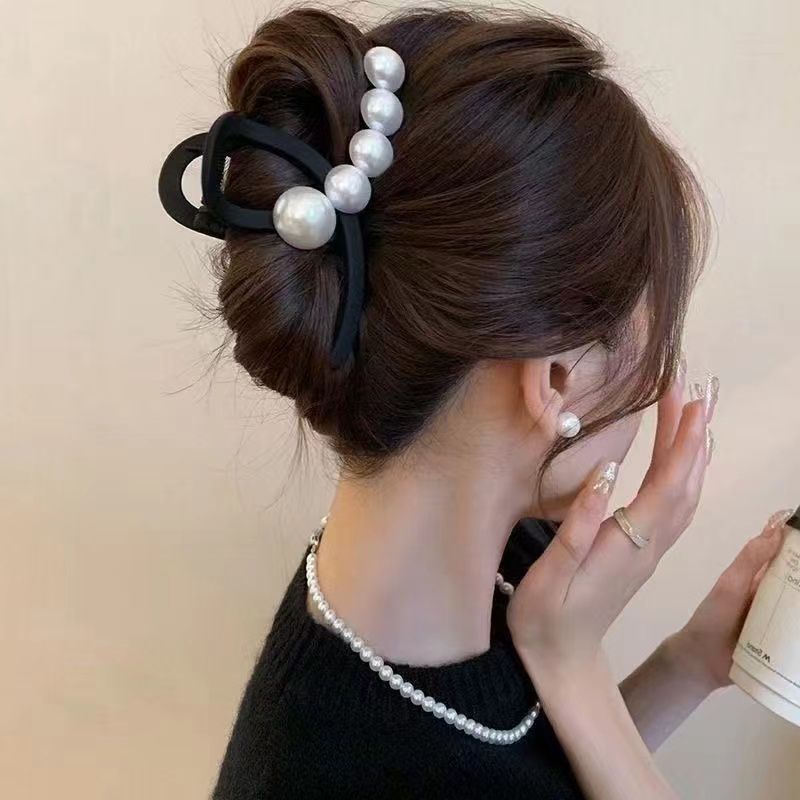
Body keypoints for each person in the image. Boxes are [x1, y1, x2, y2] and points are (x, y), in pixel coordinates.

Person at [158, 6, 790, 799]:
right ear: (555, 379)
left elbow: (532, 775)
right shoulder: (326, 772)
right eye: (654, 343)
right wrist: (572, 665)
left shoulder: (489, 562)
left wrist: (687, 663)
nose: (657, 389)